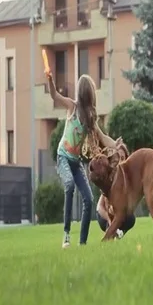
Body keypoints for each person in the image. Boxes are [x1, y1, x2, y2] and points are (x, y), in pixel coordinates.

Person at [46, 69, 116, 248]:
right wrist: (50, 80)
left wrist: (116, 145)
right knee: (69, 185)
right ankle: (66, 235)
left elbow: (102, 138)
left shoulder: (90, 119)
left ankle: (82, 243)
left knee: (89, 199)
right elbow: (54, 95)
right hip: (63, 157)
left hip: (76, 163)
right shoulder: (72, 107)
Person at [95, 141, 136, 239]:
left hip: (120, 217)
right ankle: (109, 234)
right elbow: (100, 207)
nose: (120, 161)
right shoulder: (109, 178)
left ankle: (117, 235)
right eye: (117, 158)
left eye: (122, 158)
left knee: (130, 218)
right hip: (105, 216)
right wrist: (110, 220)